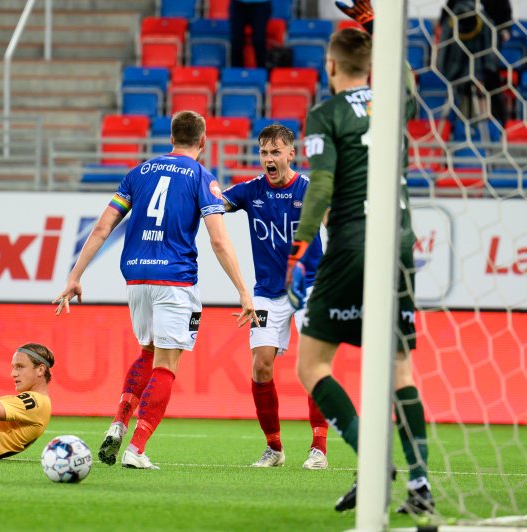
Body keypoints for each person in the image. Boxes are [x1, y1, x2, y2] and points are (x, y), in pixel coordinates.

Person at [287, 1, 434, 514]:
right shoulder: (394, 98)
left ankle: (374, 465)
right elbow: (411, 87)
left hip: (352, 242)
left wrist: (301, 243)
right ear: (371, 66)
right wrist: (376, 25)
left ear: (330, 67)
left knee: (312, 364)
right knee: (399, 364)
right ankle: (420, 484)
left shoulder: (325, 114)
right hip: (399, 238)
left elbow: (322, 182)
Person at [54, 110, 257, 470]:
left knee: (147, 353)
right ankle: (137, 448)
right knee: (167, 365)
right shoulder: (201, 177)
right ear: (204, 140)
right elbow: (219, 240)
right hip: (175, 282)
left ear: (170, 139)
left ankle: (118, 423)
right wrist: (243, 290)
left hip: (136, 280)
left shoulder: (139, 172)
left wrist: (74, 275)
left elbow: (103, 227)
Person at [221, 123, 329, 470]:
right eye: (264, 152)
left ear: (291, 154)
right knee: (261, 365)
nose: (269, 159)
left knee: (313, 364)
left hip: (309, 286)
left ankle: (319, 449)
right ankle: (274, 448)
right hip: (267, 293)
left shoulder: (309, 190)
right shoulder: (249, 191)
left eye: (276, 152)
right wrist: (197, 193)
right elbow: (213, 206)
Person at [436, 0, 513, 126]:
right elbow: (447, 13)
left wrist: (504, 31)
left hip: (486, 50)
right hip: (462, 50)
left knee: (490, 84)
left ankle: (498, 125)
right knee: (462, 86)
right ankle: (463, 126)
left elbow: (505, 16)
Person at [230, 0, 273, 68]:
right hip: (238, 4)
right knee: (236, 41)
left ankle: (262, 72)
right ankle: (236, 73)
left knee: (259, 40)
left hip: (261, 4)